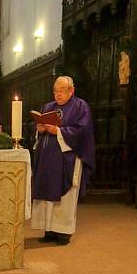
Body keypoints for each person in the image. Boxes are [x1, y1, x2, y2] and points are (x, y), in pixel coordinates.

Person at [31, 76, 95, 246]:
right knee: (46, 193)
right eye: (56, 91)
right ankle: (49, 230)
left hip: (67, 158)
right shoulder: (48, 107)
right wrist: (40, 129)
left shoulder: (80, 107)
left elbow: (82, 131)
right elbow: (40, 130)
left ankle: (63, 232)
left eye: (62, 90)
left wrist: (58, 131)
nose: (58, 94)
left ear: (71, 90)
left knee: (65, 196)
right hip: (47, 159)